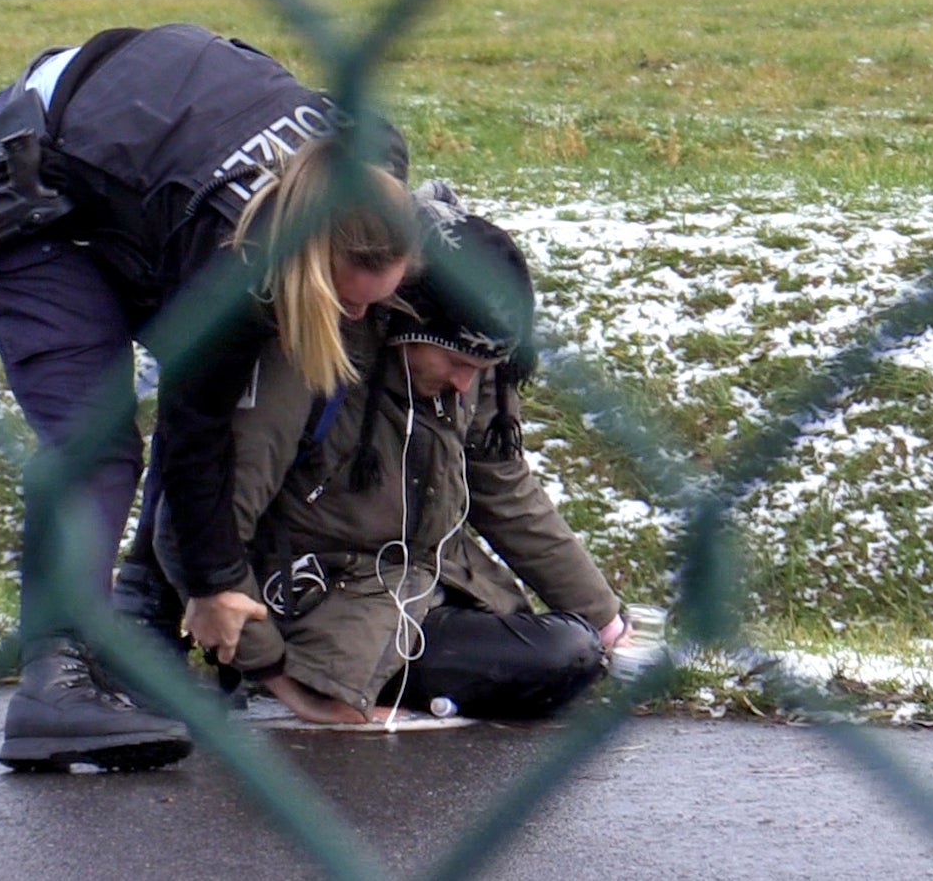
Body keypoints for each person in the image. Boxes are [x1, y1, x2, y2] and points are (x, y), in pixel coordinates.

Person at [0, 23, 420, 770]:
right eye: (344, 301)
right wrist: (214, 581)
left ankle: (142, 630)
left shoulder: (373, 162)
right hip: (16, 192)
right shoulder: (232, 268)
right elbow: (198, 425)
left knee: (261, 369)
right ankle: (54, 680)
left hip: (132, 178)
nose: (356, 318)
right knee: (95, 441)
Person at [152, 183, 633, 723]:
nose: (463, 385)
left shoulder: (469, 365)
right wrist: (280, 676)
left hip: (426, 584)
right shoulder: (309, 360)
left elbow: (503, 485)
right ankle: (356, 681)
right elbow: (196, 529)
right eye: (458, 364)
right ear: (405, 325)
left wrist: (607, 619)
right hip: (325, 606)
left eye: (481, 372)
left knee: (578, 646)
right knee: (561, 656)